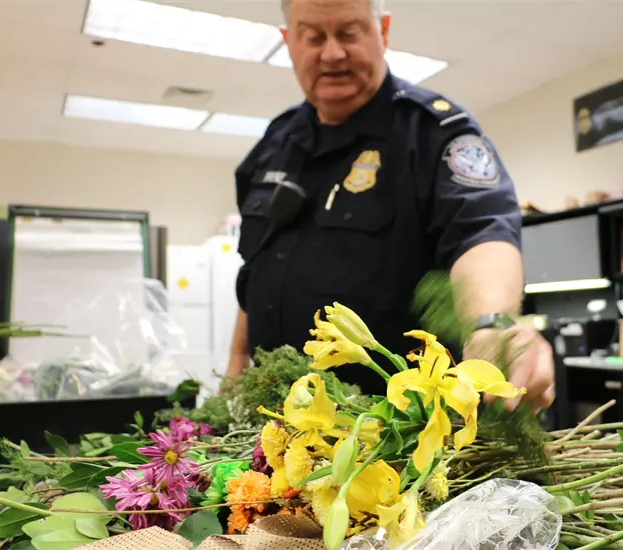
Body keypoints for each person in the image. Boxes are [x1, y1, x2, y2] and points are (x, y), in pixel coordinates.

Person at [225, 0, 555, 412]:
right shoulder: (273, 145)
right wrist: (236, 364)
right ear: (288, 41)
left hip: (396, 435)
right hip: (276, 420)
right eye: (313, 36)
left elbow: (481, 233)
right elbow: (254, 272)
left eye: (348, 32)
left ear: (382, 31)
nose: (332, 53)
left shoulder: (433, 133)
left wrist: (492, 326)